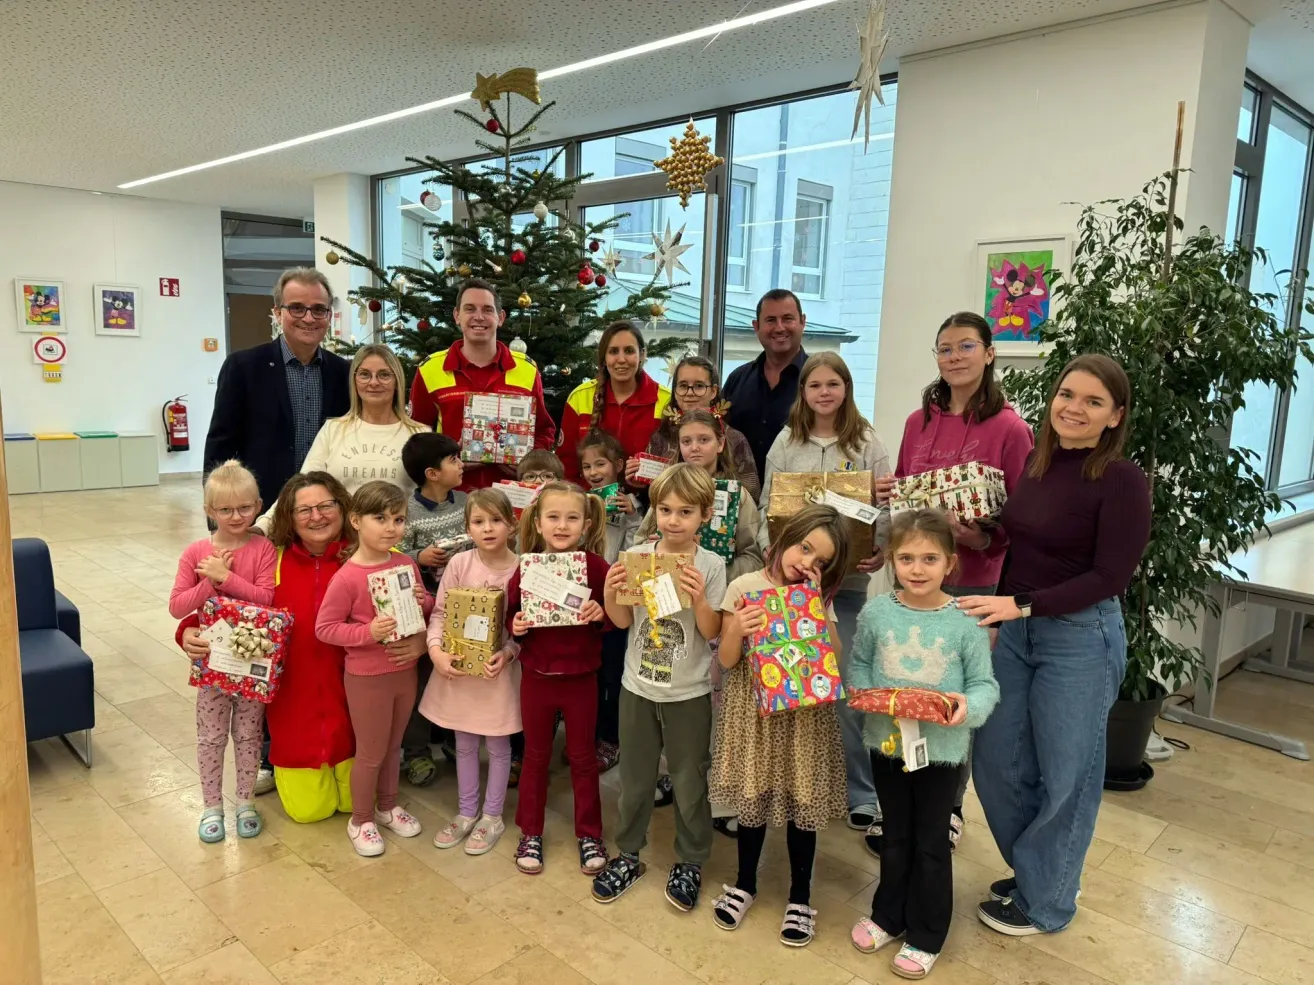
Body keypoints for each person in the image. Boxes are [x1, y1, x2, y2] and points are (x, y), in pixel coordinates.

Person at [957, 354, 1150, 937]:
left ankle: (1047, 901)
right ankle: (1041, 870)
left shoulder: (1121, 478)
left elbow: (1110, 575)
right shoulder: (1041, 464)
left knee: (1069, 774)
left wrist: (1019, 606)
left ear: (1115, 416)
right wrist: (980, 534)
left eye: (1094, 401)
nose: (1074, 407)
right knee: (997, 758)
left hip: (1079, 638)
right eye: (1067, 394)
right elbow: (1023, 541)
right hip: (1017, 629)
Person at [873, 311, 1033, 851]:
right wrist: (888, 501)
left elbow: (1024, 516)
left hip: (974, 581)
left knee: (953, 691)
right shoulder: (920, 421)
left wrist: (981, 537)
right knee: (905, 680)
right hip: (914, 577)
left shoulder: (1011, 429)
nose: (955, 356)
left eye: (966, 346)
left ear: (989, 353)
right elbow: (903, 493)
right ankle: (896, 792)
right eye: (944, 348)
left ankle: (948, 803)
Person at [178, 472, 391, 824]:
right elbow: (228, 604)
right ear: (287, 517)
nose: (317, 516)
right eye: (304, 510)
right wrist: (187, 631)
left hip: (357, 711)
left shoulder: (371, 555)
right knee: (309, 812)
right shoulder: (269, 557)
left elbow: (414, 603)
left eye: (326, 505)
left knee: (357, 801)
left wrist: (416, 636)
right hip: (296, 721)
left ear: (344, 507)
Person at [846, 510, 999, 978]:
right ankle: (888, 915)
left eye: (929, 558)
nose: (917, 568)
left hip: (943, 752)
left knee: (931, 842)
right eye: (907, 558)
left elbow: (984, 686)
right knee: (893, 834)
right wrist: (867, 697)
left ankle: (927, 932)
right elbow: (859, 669)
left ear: (950, 564)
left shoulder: (965, 621)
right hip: (887, 745)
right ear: (891, 559)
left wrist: (964, 709)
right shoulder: (875, 613)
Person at [757, 352, 890, 838]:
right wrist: (772, 555)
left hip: (846, 587)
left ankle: (862, 791)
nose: (825, 393)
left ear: (847, 388)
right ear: (804, 393)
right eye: (816, 385)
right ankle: (783, 785)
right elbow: (770, 504)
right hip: (788, 589)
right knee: (785, 684)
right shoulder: (786, 443)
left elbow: (884, 506)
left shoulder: (868, 441)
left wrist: (884, 548)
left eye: (834, 384)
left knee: (846, 685)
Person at [709, 504, 850, 947]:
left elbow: (834, 659)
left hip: (804, 718)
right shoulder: (745, 584)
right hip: (752, 713)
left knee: (800, 801)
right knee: (753, 797)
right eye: (806, 547)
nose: (807, 563)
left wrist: (816, 603)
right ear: (789, 534)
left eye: (820, 561)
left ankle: (800, 897)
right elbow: (727, 659)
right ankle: (745, 883)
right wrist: (738, 630)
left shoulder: (815, 595)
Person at [594, 465, 726, 911]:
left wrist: (702, 599)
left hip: (688, 691)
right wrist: (612, 591)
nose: (673, 520)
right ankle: (628, 853)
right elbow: (622, 621)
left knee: (689, 780)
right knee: (634, 778)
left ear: (704, 515)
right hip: (638, 686)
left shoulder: (711, 564)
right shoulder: (638, 554)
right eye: (665, 509)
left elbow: (712, 632)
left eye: (685, 511)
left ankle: (690, 859)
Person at [315, 481, 434, 857]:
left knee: (394, 745)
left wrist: (424, 600)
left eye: (398, 519)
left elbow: (424, 608)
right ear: (355, 520)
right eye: (379, 518)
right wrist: (367, 632)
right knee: (370, 751)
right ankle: (361, 819)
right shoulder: (347, 576)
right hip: (367, 677)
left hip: (404, 670)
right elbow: (325, 628)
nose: (390, 528)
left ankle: (386, 806)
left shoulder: (405, 563)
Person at [504, 482, 612, 876]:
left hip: (582, 677)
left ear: (585, 523)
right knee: (535, 756)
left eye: (571, 517)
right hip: (537, 677)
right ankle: (529, 831)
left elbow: (616, 619)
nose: (562, 525)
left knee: (583, 759)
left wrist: (602, 615)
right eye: (553, 517)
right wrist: (515, 624)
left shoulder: (597, 568)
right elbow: (512, 614)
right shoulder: (527, 566)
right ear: (538, 521)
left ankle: (589, 833)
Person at [168, 461, 277, 842]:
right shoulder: (195, 551)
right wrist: (209, 584)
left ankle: (245, 801)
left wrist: (226, 577)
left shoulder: (263, 549)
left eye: (245, 507)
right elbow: (178, 606)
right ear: (209, 510)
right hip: (213, 662)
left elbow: (267, 598)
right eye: (226, 510)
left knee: (249, 735)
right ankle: (211, 806)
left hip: (253, 660)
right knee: (211, 737)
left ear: (259, 504)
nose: (236, 516)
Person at [423, 489, 522, 856]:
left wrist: (509, 654)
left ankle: (492, 816)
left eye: (497, 520)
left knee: (498, 746)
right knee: (463, 743)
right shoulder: (460, 563)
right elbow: (440, 615)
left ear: (512, 524)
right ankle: (466, 812)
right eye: (479, 522)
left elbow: (524, 630)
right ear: (467, 528)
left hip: (497, 677)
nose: (488, 528)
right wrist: (435, 651)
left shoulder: (522, 568)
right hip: (459, 672)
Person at [204, 267, 351, 512]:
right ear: (277, 312)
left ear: (329, 314)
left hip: (324, 511)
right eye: (296, 308)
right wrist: (219, 517)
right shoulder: (243, 367)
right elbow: (221, 445)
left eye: (318, 309)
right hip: (261, 507)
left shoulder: (343, 372)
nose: (308, 318)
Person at [254, 345, 424, 534]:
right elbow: (302, 487)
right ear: (354, 380)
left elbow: (431, 496)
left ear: (397, 381)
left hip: (399, 547)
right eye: (365, 374)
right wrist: (262, 527)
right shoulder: (334, 429)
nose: (374, 382)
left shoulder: (419, 434)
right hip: (340, 546)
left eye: (384, 375)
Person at [409, 279, 557, 490]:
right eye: (470, 309)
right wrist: (450, 458)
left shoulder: (527, 370)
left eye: (487, 310)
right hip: (451, 496)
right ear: (457, 316)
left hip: (512, 496)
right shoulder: (430, 370)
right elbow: (416, 439)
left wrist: (526, 462)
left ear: (501, 317)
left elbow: (544, 431)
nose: (479, 316)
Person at [397, 431, 469, 788]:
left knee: (460, 676)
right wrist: (418, 558)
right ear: (432, 473)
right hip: (424, 612)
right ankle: (417, 752)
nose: (462, 465)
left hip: (467, 609)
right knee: (422, 681)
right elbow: (392, 558)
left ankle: (457, 741)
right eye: (454, 460)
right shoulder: (406, 512)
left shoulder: (467, 502)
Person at [577, 430, 639, 774]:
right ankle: (585, 738)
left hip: (616, 608)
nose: (592, 471)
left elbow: (638, 549)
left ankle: (609, 739)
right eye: (586, 466)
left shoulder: (631, 505)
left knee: (612, 677)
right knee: (589, 676)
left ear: (618, 465)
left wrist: (632, 514)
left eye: (600, 463)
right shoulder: (581, 503)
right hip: (583, 604)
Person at [557, 322, 672, 485]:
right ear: (604, 357)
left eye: (629, 351)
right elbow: (566, 466)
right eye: (613, 351)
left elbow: (672, 465)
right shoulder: (580, 397)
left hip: (648, 506)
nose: (621, 359)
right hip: (588, 504)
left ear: (643, 355)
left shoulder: (666, 401)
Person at [645, 355, 760, 500]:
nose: (690, 392)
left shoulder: (734, 439)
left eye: (699, 386)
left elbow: (752, 495)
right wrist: (638, 479)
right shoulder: (662, 436)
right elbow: (651, 493)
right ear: (675, 390)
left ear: (713, 391)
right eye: (683, 386)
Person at [723, 289, 809, 481]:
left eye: (788, 319)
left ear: (802, 322)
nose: (779, 328)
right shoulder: (737, 379)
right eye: (770, 320)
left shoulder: (819, 382)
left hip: (798, 499)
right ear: (756, 326)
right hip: (739, 498)